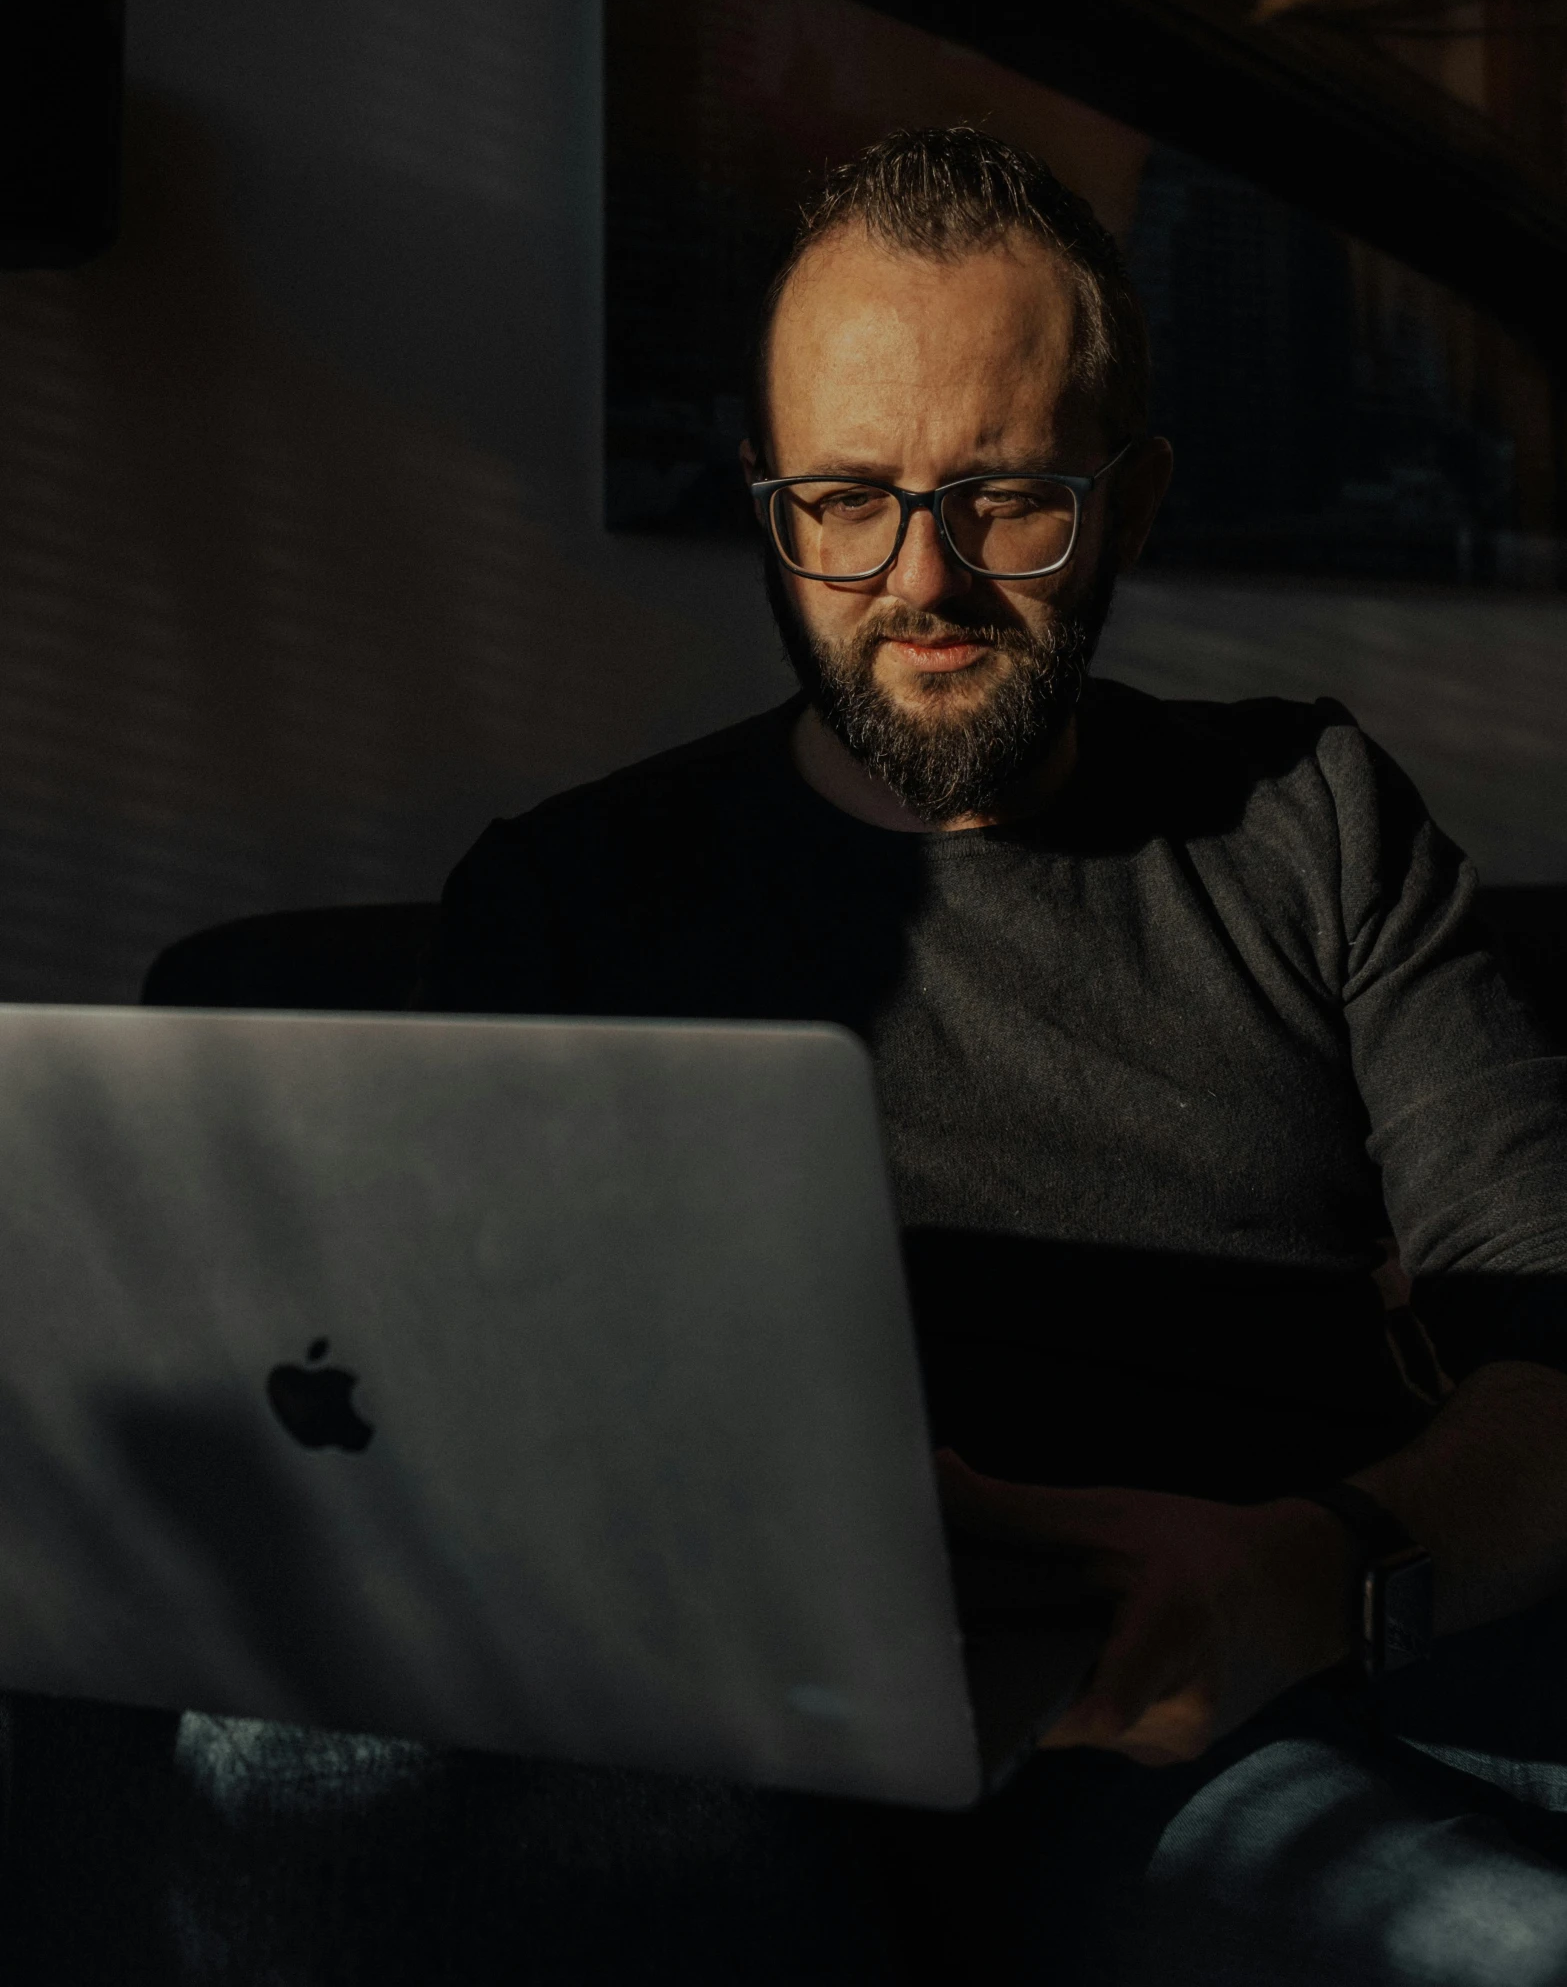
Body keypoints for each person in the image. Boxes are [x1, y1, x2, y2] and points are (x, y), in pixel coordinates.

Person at [412, 126, 1567, 1982]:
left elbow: (1554, 1340)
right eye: (844, 499)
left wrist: (1316, 1567)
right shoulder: (570, 896)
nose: (918, 580)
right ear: (770, 508)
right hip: (781, 1738)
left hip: (1284, 1667)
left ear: (1133, 502)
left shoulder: (1311, 814)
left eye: (1006, 496)